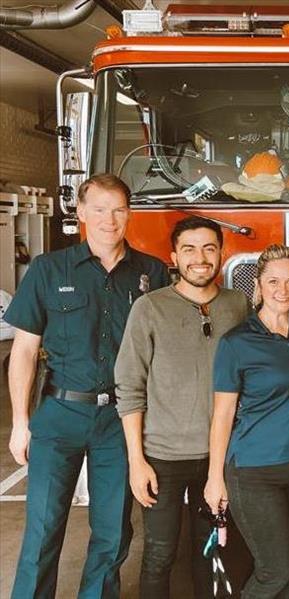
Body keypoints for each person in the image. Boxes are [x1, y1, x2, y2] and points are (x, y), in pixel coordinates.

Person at [5, 173, 170, 598]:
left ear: (129, 214)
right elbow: (23, 351)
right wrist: (20, 422)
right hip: (60, 414)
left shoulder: (152, 272)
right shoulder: (48, 269)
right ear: (80, 213)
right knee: (42, 530)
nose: (108, 219)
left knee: (113, 532)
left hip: (121, 420)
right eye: (98, 209)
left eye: (117, 209)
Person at [114, 217, 249, 598]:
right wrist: (137, 461)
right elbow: (130, 386)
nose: (200, 258)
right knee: (159, 554)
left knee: (211, 552)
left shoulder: (238, 305)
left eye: (209, 248)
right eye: (189, 249)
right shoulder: (149, 308)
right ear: (174, 257)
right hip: (163, 459)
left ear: (222, 254)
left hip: (219, 458)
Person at [204, 244, 289, 599]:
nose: (282, 290)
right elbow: (223, 414)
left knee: (287, 567)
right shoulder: (237, 343)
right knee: (275, 571)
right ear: (257, 286)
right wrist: (215, 479)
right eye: (273, 281)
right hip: (254, 472)